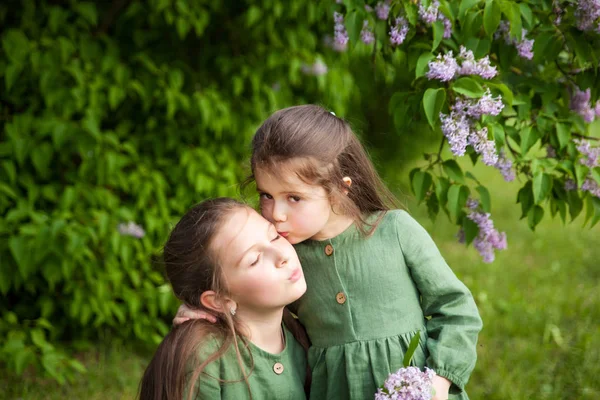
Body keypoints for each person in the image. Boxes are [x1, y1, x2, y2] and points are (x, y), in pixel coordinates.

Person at [176, 105, 483, 400]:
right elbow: (259, 308)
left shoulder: (395, 231)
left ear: (340, 188)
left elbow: (455, 308)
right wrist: (209, 311)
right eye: (266, 195)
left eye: (294, 197)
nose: (275, 213)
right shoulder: (287, 261)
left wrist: (439, 380)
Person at [140, 198, 310, 400]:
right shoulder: (203, 360)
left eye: (274, 236)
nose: (281, 255)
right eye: (254, 260)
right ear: (218, 300)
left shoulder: (307, 336)